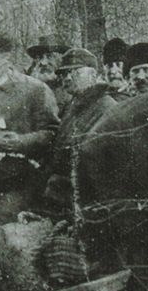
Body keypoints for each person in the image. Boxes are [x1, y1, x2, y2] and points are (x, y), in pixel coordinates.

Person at [0, 34, 60, 226]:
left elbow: (53, 134)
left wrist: (21, 142)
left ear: (7, 58)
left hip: (16, 194)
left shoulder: (34, 90)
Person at [44, 48, 118, 213]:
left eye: (75, 72)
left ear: (93, 75)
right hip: (64, 196)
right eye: (63, 74)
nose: (68, 78)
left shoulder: (107, 106)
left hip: (88, 200)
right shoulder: (73, 106)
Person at [27, 34, 71, 108]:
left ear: (62, 60)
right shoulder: (28, 88)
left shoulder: (70, 93)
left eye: (50, 56)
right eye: (40, 57)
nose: (43, 62)